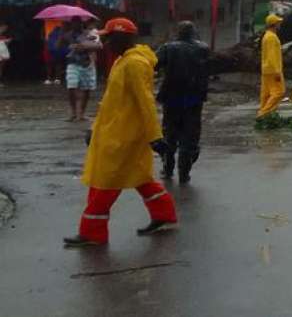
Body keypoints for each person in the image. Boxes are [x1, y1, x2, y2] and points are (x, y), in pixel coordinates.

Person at [63, 17, 178, 248]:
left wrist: (155, 136)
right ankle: (164, 216)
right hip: (114, 132)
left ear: (122, 38)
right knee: (141, 178)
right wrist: (94, 128)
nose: (105, 43)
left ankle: (92, 233)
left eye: (108, 38)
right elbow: (110, 102)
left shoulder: (134, 64)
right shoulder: (122, 61)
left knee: (105, 182)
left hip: (124, 137)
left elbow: (145, 102)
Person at [155, 21, 210, 184]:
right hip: (194, 98)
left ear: (178, 32)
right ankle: (184, 173)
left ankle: (168, 169)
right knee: (190, 136)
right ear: (194, 32)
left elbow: (154, 63)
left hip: (172, 97)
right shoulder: (203, 49)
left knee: (169, 135)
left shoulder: (168, 48)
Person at [62, 17, 103, 122]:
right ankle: (74, 112)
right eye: (74, 23)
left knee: (86, 89)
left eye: (78, 23)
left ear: (82, 23)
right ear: (71, 24)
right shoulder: (67, 35)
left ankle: (81, 114)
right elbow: (58, 46)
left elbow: (99, 46)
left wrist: (84, 46)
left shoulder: (89, 34)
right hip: (73, 63)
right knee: (71, 86)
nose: (76, 25)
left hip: (87, 63)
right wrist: (64, 39)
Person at [257, 14, 285, 119]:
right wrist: (277, 72)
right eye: (278, 23)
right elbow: (272, 55)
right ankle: (264, 114)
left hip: (266, 69)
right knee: (279, 92)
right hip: (273, 70)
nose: (280, 25)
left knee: (267, 94)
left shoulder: (267, 36)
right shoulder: (272, 37)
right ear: (274, 24)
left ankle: (264, 113)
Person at [44, 21, 67, 85]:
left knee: (58, 62)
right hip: (48, 43)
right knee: (49, 62)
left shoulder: (62, 20)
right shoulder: (47, 20)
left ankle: (57, 78)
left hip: (58, 43)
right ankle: (49, 78)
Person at [0, 23, 11, 87]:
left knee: (1, 67)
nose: (4, 29)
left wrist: (7, 42)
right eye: (3, 27)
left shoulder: (5, 35)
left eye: (5, 28)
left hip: (3, 51)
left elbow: (6, 44)